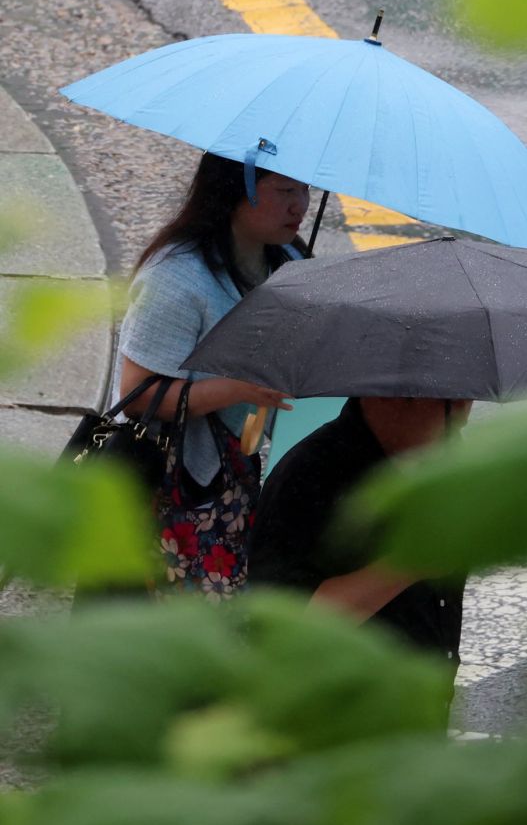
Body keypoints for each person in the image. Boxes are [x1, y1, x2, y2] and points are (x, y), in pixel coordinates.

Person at [116, 151, 310, 591]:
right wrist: (238, 387)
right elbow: (139, 393)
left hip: (237, 473)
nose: (301, 205)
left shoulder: (288, 263)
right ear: (234, 188)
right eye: (285, 190)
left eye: (305, 189)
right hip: (171, 484)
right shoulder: (177, 276)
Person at [247, 396, 473, 685]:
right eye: (450, 402)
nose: (463, 417)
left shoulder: (442, 459)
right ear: (386, 397)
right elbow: (281, 627)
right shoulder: (308, 477)